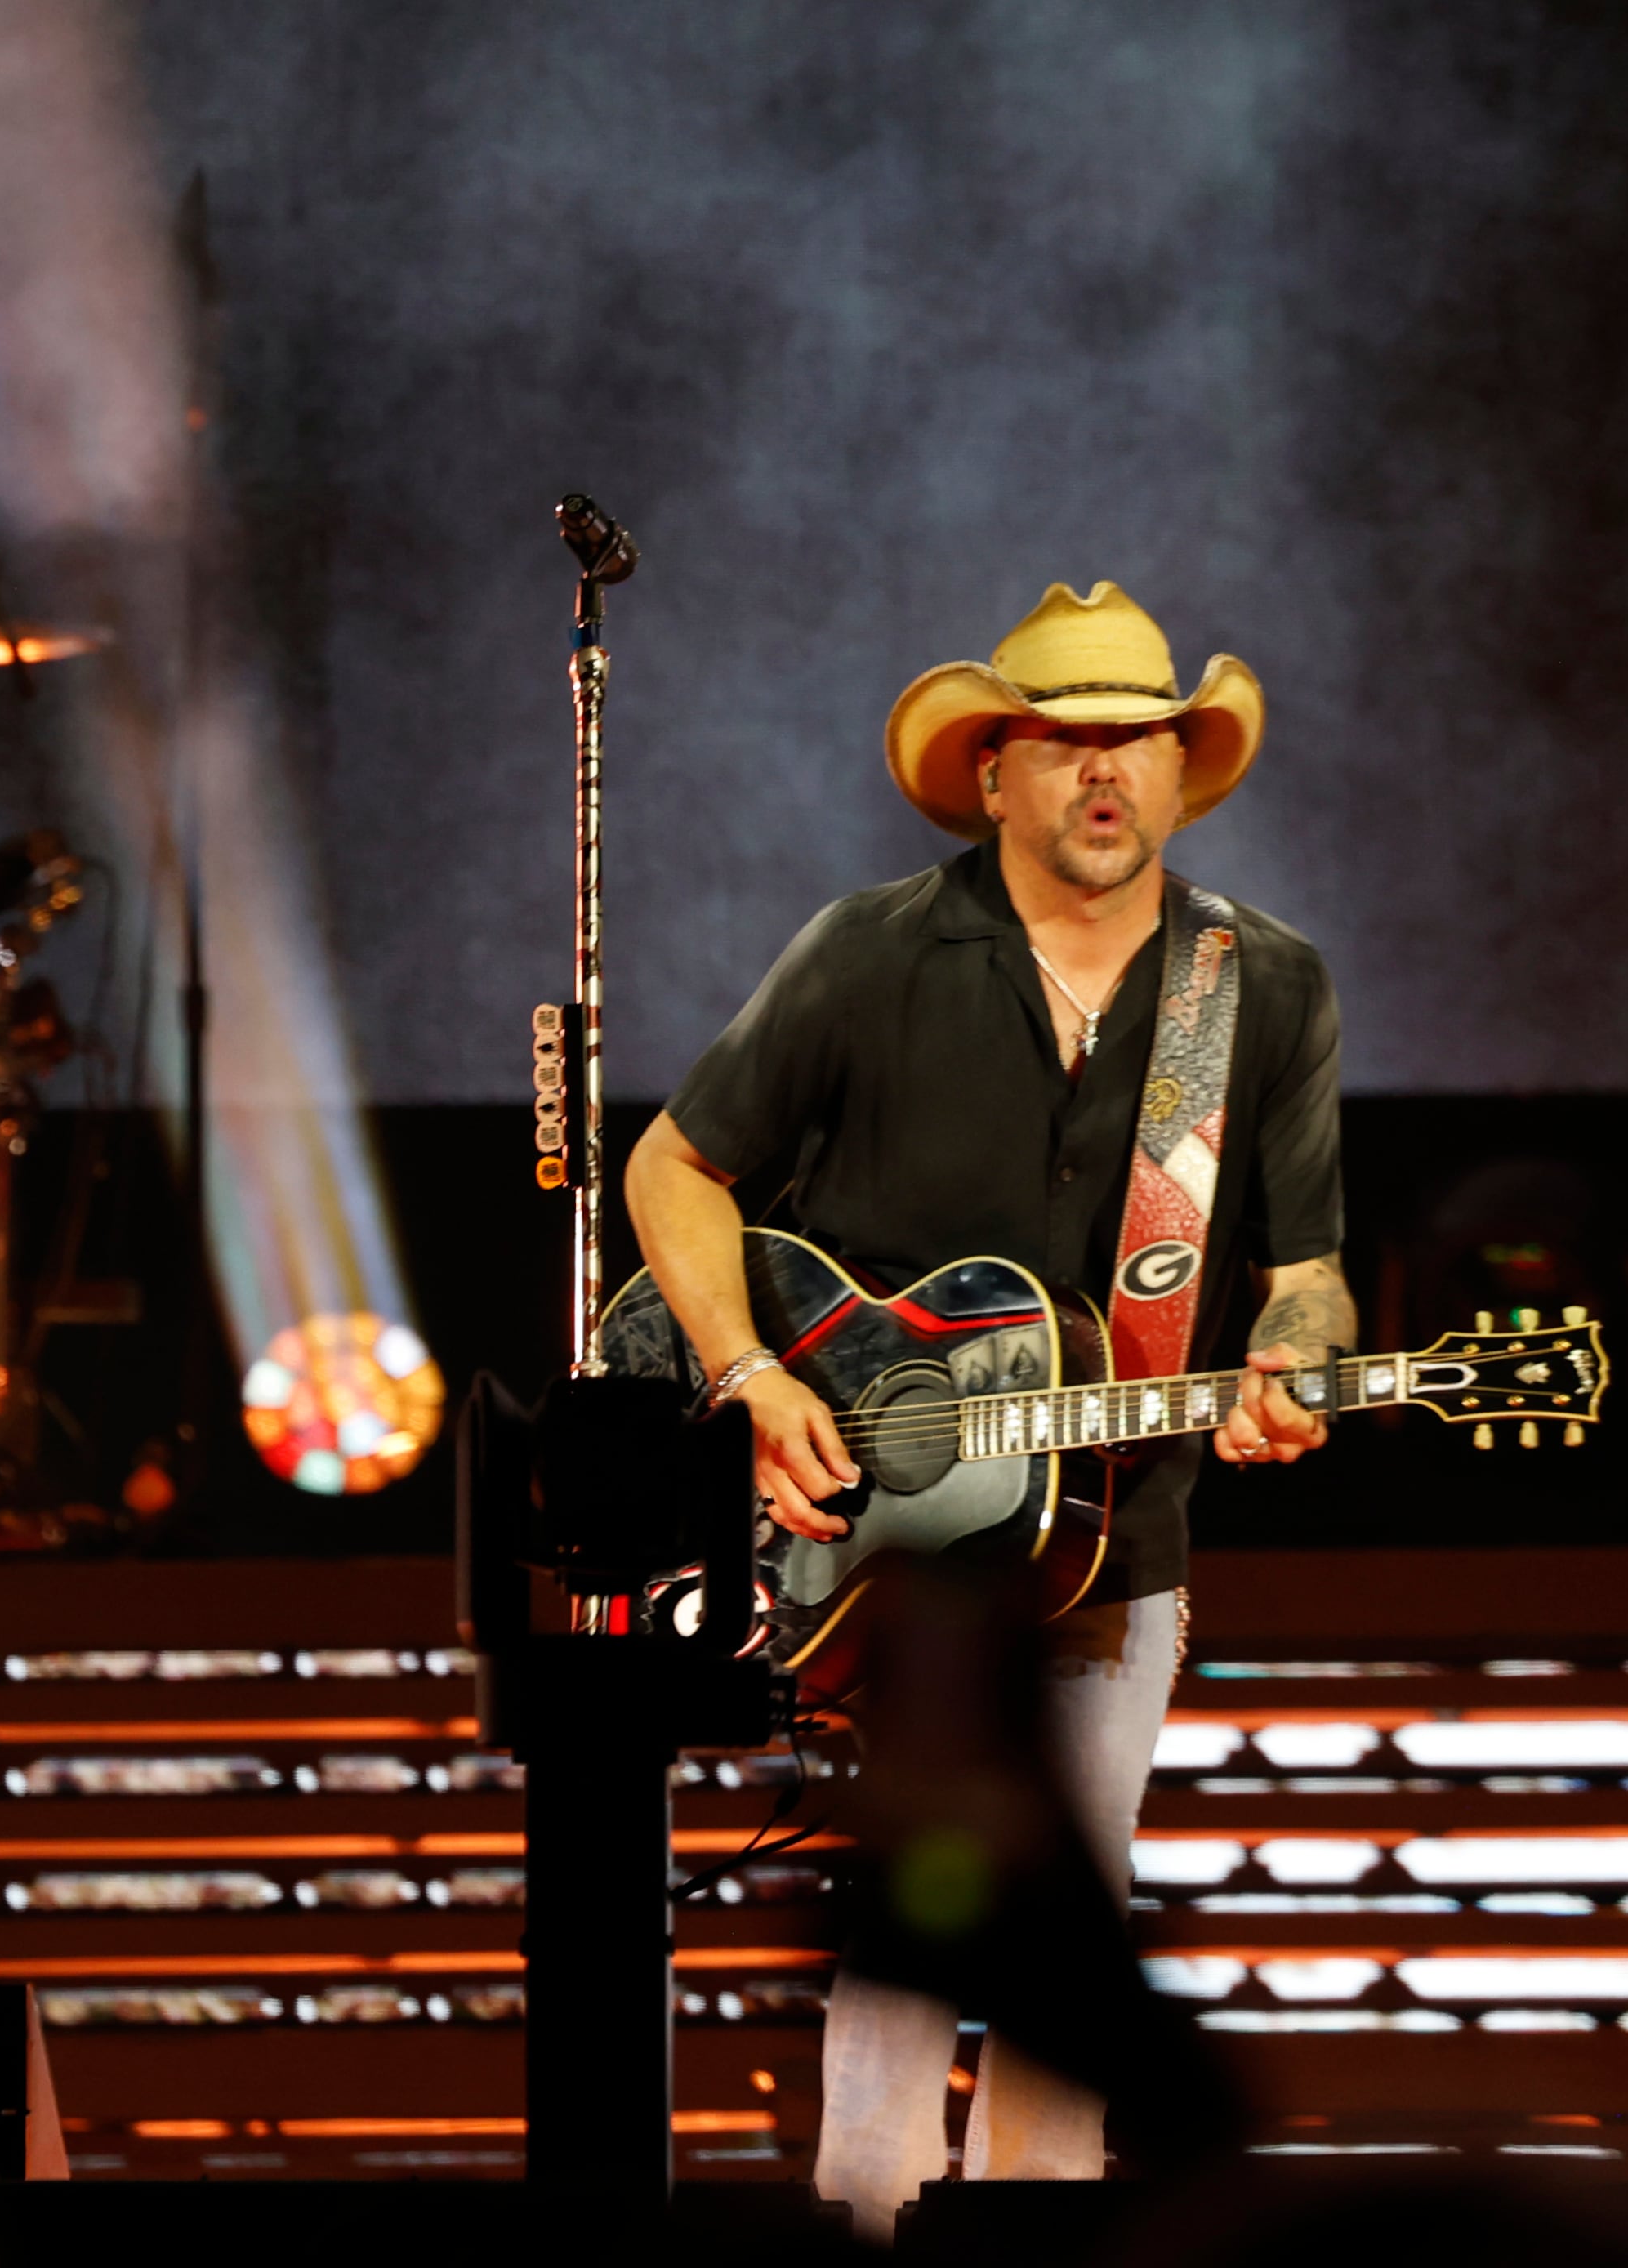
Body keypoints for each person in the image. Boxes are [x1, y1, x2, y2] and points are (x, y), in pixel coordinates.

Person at [623, 581, 1349, 2225]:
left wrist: (1302, 1351)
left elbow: (1307, 1268)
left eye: (1142, 742)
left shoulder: (1264, 987)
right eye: (1072, 743)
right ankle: (863, 2234)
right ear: (993, 771)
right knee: (905, 1939)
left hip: (1112, 1541)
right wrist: (746, 1376)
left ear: (1182, 767)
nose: (1111, 775)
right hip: (876, 1540)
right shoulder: (869, 952)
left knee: (1065, 1934)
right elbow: (675, 1162)